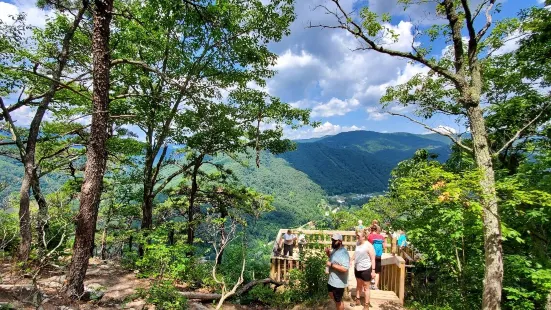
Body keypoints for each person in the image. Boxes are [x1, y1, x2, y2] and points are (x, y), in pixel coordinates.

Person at [350, 229, 376, 309]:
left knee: (366, 287)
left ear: (364, 237)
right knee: (358, 285)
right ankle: (357, 300)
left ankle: (366, 304)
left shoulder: (369, 246)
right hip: (357, 268)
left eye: (358, 235)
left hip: (366, 268)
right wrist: (351, 259)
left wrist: (373, 271)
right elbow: (356, 252)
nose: (357, 237)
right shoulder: (357, 243)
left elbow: (372, 259)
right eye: (356, 235)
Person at [325, 233, 350, 310]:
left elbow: (345, 269)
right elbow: (334, 260)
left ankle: (340, 307)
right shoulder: (335, 250)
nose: (332, 242)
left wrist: (331, 265)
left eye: (334, 240)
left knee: (338, 301)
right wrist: (328, 254)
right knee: (332, 295)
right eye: (332, 240)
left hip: (338, 283)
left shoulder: (344, 253)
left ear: (340, 241)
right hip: (332, 280)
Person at [368, 224, 387, 290]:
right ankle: (375, 286)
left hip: (371, 256)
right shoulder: (381, 237)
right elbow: (384, 247)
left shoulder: (370, 236)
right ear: (377, 230)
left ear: (371, 230)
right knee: (377, 271)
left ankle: (370, 284)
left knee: (370, 269)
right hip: (379, 256)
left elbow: (368, 246)